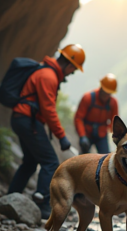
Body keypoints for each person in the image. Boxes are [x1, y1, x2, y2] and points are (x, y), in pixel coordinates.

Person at [7, 44, 85, 219]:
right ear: (70, 64)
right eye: (73, 70)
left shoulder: (46, 72)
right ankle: (42, 203)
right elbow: (48, 110)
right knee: (50, 162)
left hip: (22, 119)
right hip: (28, 121)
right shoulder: (48, 76)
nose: (72, 73)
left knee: (29, 162)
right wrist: (62, 137)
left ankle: (10, 197)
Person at [74, 74, 119, 154]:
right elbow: (78, 118)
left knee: (105, 157)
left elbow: (115, 122)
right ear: (101, 87)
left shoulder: (113, 103)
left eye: (109, 93)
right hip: (87, 133)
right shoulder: (88, 98)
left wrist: (110, 132)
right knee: (83, 158)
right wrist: (82, 136)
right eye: (105, 92)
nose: (106, 95)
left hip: (101, 135)